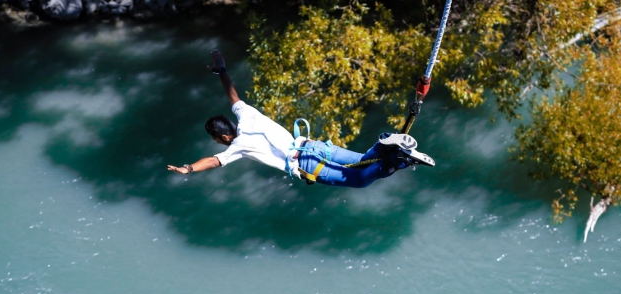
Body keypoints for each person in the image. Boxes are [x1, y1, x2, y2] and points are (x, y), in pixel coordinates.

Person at [167, 49, 435, 188]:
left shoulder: (238, 147)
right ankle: (391, 146)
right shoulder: (246, 114)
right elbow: (232, 95)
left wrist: (188, 168)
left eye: (216, 139)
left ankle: (397, 155)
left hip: (306, 164)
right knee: (363, 161)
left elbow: (214, 161)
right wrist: (221, 71)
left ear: (224, 136)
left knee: (360, 179)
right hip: (311, 146)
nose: (217, 144)